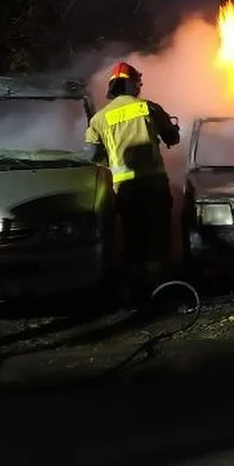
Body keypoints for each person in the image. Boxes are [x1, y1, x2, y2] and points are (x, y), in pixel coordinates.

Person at [85, 61, 180, 300]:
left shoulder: (99, 119)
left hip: (125, 189)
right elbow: (172, 136)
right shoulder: (148, 108)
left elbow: (92, 156)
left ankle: (137, 293)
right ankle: (160, 290)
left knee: (131, 237)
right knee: (157, 237)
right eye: (138, 82)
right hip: (154, 185)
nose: (139, 86)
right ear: (132, 84)